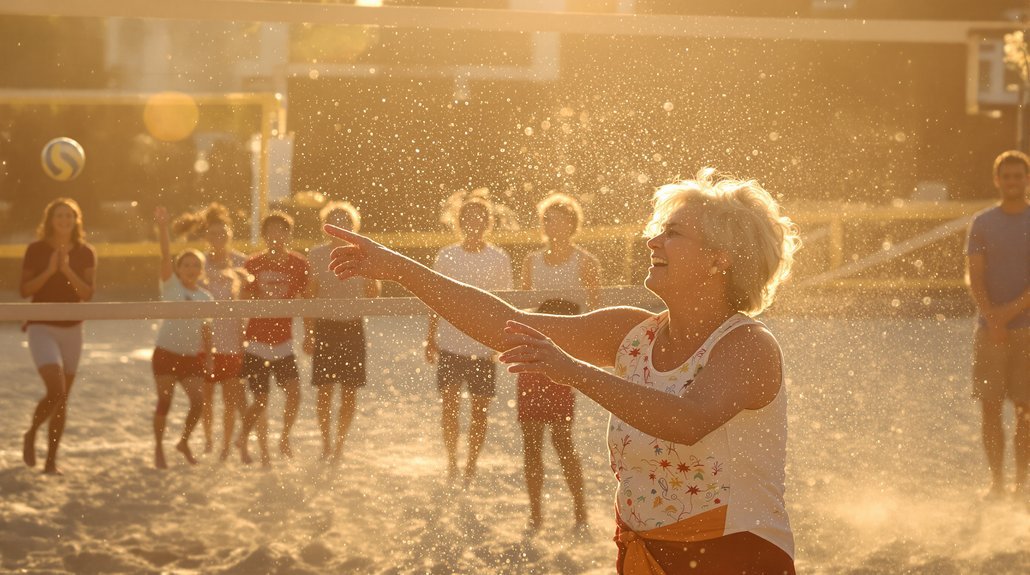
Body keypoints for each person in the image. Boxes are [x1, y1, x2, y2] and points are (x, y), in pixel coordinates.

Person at [323, 168, 799, 573]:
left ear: (721, 259)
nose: (653, 240)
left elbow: (688, 421)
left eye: (673, 232)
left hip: (734, 556)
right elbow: (506, 325)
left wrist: (574, 372)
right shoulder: (633, 333)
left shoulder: (747, 345)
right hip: (643, 555)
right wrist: (400, 269)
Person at [518, 193, 600, 531]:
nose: (556, 224)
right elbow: (522, 309)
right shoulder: (530, 262)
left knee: (562, 437)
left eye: (562, 218)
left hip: (564, 359)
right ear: (543, 225)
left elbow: (595, 314)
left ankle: (580, 512)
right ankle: (536, 515)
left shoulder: (586, 262)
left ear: (573, 223)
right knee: (531, 439)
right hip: (532, 353)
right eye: (549, 218)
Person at [425, 191, 513, 483]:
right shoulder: (447, 255)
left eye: (479, 217)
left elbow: (506, 305)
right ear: (459, 222)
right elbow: (434, 299)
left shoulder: (498, 258)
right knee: (449, 407)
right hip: (450, 343)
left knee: (479, 411)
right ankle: (451, 461)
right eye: (468, 217)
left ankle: (471, 464)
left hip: (483, 345)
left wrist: (502, 341)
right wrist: (430, 336)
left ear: (488, 223)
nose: (474, 222)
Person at [966, 149, 1030, 502]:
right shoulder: (983, 222)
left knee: (1025, 410)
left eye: (1018, 176)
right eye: (1006, 176)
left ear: (1027, 179)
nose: (1012, 182)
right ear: (997, 180)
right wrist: (991, 316)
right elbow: (975, 274)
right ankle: (997, 482)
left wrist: (1006, 316)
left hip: (1026, 331)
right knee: (990, 407)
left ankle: (1021, 483)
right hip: (989, 332)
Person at [20, 198, 96, 475]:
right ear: (50, 220)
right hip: (41, 327)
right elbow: (25, 290)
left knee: (62, 400)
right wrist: (50, 269)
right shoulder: (36, 249)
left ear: (76, 221)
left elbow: (87, 294)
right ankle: (31, 433)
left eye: (69, 216)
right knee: (56, 390)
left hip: (73, 330)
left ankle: (51, 461)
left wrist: (66, 269)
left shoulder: (86, 252)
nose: (64, 220)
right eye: (59, 215)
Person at [305, 201, 381, 464]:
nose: (340, 226)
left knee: (350, 391)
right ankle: (326, 443)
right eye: (334, 221)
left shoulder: (361, 252)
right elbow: (310, 297)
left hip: (352, 327)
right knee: (324, 391)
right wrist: (309, 333)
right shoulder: (316, 254)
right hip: (325, 327)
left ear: (353, 227)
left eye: (345, 221)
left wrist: (370, 268)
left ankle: (339, 445)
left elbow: (373, 295)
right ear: (326, 227)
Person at [173, 203, 250, 460]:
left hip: (233, 340)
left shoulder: (241, 262)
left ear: (230, 234)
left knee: (230, 399)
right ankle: (207, 440)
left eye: (223, 233)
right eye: (213, 233)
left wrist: (241, 280)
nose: (219, 238)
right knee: (206, 398)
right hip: (203, 340)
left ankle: (226, 446)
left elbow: (251, 294)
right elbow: (184, 292)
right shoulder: (198, 263)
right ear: (206, 236)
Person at [236, 211, 311, 467]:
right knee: (260, 401)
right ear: (265, 235)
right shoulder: (253, 263)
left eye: (281, 230)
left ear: (288, 234)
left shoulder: (299, 263)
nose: (276, 235)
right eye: (271, 231)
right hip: (256, 342)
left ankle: (285, 438)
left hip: (284, 342)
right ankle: (246, 439)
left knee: (294, 393)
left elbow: (307, 302)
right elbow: (242, 302)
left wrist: (309, 334)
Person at [152, 206, 213, 469]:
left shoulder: (205, 297)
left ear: (201, 270)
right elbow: (165, 254)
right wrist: (164, 227)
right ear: (178, 269)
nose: (190, 268)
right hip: (166, 352)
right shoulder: (171, 285)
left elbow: (206, 332)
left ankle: (183, 441)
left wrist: (209, 358)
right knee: (165, 401)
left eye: (195, 265)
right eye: (186, 264)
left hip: (190, 357)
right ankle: (158, 448)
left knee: (198, 403)